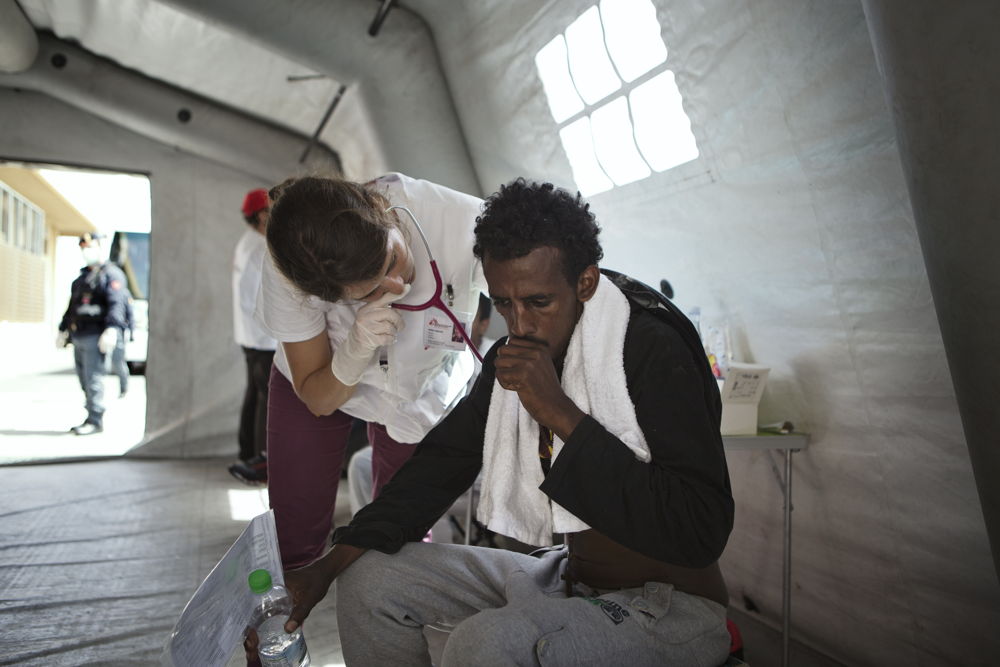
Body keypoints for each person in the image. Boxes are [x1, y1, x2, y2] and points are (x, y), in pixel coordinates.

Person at [261, 179, 735, 666]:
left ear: (586, 284)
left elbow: (702, 529)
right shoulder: (518, 359)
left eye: (538, 302)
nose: (520, 325)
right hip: (565, 577)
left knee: (486, 642)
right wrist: (327, 567)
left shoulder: (652, 347)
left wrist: (559, 413)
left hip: (668, 607)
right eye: (504, 304)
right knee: (367, 580)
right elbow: (441, 465)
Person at [257, 173, 486, 570]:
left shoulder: (463, 220)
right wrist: (353, 352)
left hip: (418, 385)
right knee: (292, 537)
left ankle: (395, 610)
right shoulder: (290, 275)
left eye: (393, 260)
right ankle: (287, 621)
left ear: (386, 214)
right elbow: (316, 397)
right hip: (325, 377)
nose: (398, 285)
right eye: (371, 291)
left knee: (404, 535)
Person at [57, 233, 131, 435]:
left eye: (91, 246)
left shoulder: (111, 275)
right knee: (84, 380)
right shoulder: (81, 279)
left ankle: (95, 420)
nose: (87, 251)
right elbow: (72, 306)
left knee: (94, 379)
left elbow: (117, 304)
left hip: (96, 336)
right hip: (79, 335)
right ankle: (90, 414)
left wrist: (112, 329)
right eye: (84, 247)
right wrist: (63, 329)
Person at [229, 188, 278, 485]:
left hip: (249, 334)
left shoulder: (246, 243)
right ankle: (261, 458)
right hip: (263, 336)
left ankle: (247, 452)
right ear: (262, 215)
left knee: (254, 395)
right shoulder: (261, 247)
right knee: (266, 398)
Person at [107, 288, 134, 398]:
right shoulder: (103, 289)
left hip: (117, 330)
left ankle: (124, 386)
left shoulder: (122, 292)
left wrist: (132, 331)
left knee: (118, 361)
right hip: (102, 330)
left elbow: (130, 313)